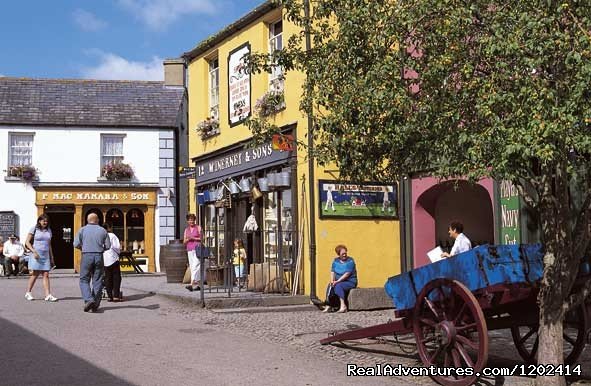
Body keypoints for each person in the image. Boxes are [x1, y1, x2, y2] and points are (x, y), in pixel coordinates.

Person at [74, 213, 110, 312]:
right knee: (97, 280)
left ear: (87, 220)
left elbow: (75, 244)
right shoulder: (103, 230)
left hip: (86, 255)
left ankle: (89, 299)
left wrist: (83, 247)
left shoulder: (82, 230)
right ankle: (95, 304)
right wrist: (100, 248)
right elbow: (108, 246)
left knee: (84, 279)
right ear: (97, 220)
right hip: (99, 255)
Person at [24, 214, 58, 302]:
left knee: (46, 274)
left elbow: (49, 244)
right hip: (36, 254)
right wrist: (34, 251)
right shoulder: (34, 229)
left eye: (46, 221)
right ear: (39, 221)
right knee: (35, 274)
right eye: (43, 221)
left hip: (45, 254)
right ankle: (28, 292)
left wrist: (52, 257)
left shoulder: (48, 230)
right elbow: (27, 242)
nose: (45, 222)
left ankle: (48, 295)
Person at [321, 244, 357, 313]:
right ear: (338, 254)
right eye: (342, 254)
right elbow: (332, 271)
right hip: (338, 281)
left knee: (338, 285)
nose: (344, 255)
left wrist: (337, 281)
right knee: (330, 286)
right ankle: (329, 305)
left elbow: (347, 274)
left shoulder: (350, 261)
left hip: (349, 281)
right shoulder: (335, 261)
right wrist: (332, 281)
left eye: (345, 253)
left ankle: (343, 306)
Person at [184, 213, 204, 292]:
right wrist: (188, 240)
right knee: (193, 267)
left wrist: (194, 238)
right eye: (189, 220)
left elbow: (203, 238)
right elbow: (184, 241)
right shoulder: (186, 229)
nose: (191, 221)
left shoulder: (198, 228)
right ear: (187, 221)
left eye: (192, 219)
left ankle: (191, 284)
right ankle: (199, 285)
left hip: (197, 249)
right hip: (189, 249)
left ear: (194, 220)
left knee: (196, 265)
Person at [103, 222, 122, 302]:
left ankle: (109, 296)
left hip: (104, 259)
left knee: (107, 278)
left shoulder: (101, 236)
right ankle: (116, 296)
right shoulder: (112, 235)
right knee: (116, 277)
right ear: (109, 228)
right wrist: (119, 253)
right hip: (113, 258)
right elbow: (117, 247)